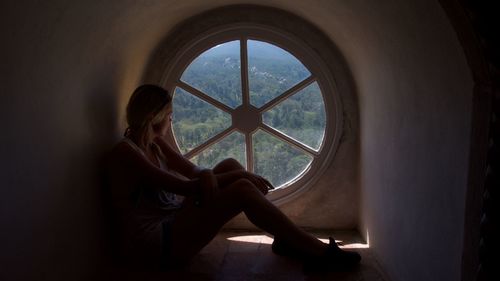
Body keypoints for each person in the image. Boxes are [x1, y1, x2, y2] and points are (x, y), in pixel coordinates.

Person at [106, 84, 361, 273]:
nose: (172, 120)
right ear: (155, 118)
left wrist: (216, 174)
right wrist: (241, 175)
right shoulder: (127, 153)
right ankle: (318, 252)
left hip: (173, 221)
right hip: (154, 245)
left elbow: (195, 173)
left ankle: (287, 239)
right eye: (169, 116)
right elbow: (186, 187)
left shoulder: (155, 144)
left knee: (229, 165)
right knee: (240, 187)